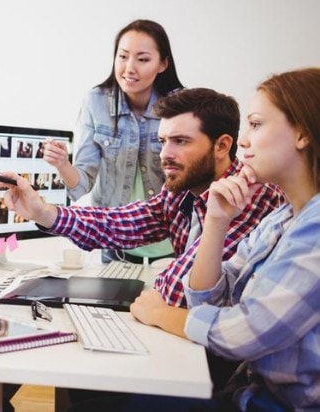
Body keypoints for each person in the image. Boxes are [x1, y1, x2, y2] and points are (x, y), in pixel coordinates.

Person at [0, 88, 284, 405]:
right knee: (83, 374)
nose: (165, 154)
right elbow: (123, 222)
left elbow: (179, 294)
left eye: (181, 141)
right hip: (189, 346)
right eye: (163, 141)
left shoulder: (249, 195)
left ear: (222, 146)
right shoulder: (182, 188)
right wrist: (44, 213)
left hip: (218, 369)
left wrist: (159, 298)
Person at [122, 68, 320, 411]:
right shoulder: (283, 219)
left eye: (256, 125)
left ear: (302, 134)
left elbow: (246, 334)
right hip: (249, 394)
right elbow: (208, 299)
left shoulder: (315, 227)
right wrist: (216, 222)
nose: (244, 140)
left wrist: (161, 314)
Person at [43, 19, 182, 263]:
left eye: (142, 59)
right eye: (123, 56)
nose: (129, 68)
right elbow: (82, 185)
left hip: (170, 248)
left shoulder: (180, 107)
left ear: (163, 64)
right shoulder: (95, 102)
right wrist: (63, 164)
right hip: (116, 248)